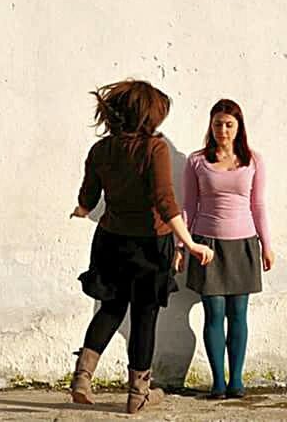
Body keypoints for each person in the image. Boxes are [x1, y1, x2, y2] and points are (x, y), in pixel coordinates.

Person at [69, 79, 214, 414]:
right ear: (147, 114)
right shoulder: (155, 148)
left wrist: (81, 209)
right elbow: (165, 201)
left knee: (110, 308)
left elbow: (89, 196)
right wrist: (189, 242)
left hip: (110, 242)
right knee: (144, 316)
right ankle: (138, 393)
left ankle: (82, 376)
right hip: (150, 245)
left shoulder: (101, 150)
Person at [175, 98, 275, 399]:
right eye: (218, 124)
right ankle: (218, 381)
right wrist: (182, 245)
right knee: (214, 313)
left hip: (243, 244)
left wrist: (266, 245)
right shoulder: (197, 161)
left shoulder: (253, 160)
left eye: (229, 124)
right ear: (211, 125)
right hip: (208, 245)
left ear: (239, 126)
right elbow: (189, 206)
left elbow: (258, 205)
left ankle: (237, 380)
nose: (223, 129)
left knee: (238, 313)